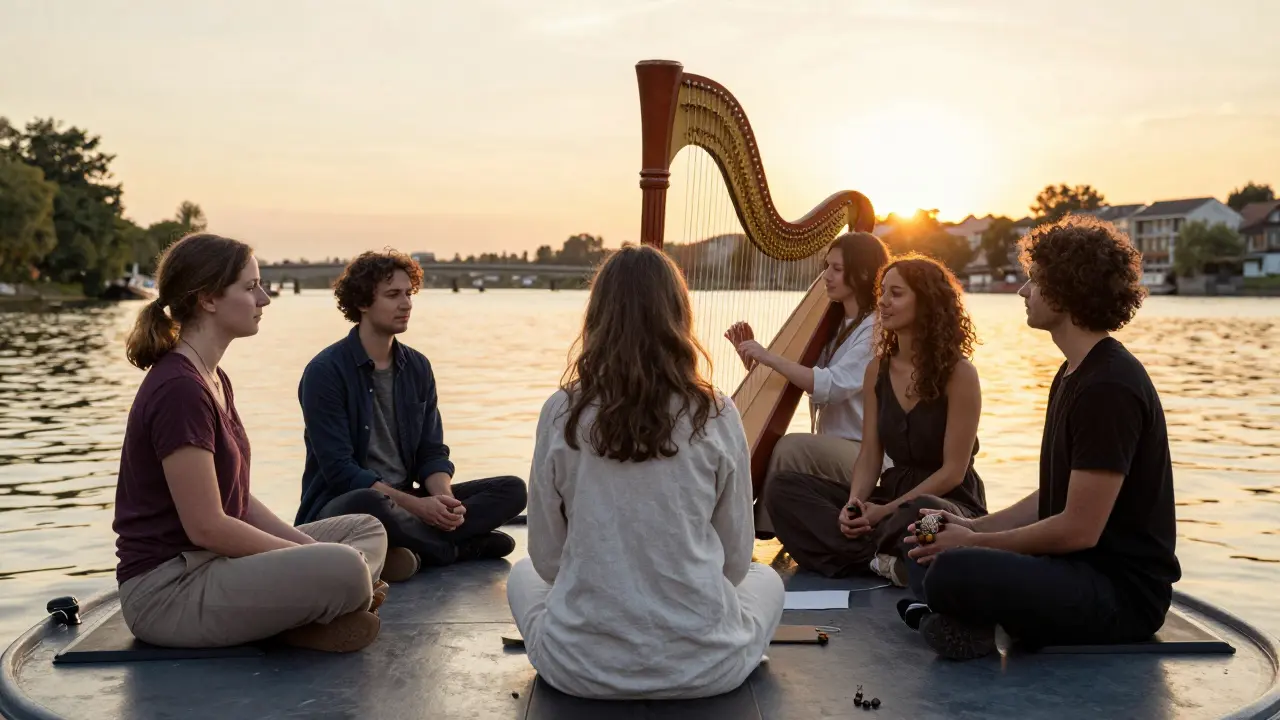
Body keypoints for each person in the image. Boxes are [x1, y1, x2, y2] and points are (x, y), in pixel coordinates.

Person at [507, 245, 784, 700]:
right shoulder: (716, 411)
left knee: (521, 574)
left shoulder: (561, 411)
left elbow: (548, 560)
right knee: (766, 579)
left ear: (597, 317)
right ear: (678, 316)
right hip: (707, 669)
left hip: (579, 670)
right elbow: (735, 564)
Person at [899, 215, 1181, 660]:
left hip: (1120, 597)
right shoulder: (1073, 372)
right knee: (924, 522)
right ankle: (957, 614)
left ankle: (960, 615)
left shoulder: (1109, 386)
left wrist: (971, 544)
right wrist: (969, 526)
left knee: (954, 565)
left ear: (1066, 290)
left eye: (1033, 280)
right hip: (1068, 571)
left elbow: (1078, 530)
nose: (1022, 291)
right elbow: (1052, 497)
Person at [113, 233, 387, 653]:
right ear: (207, 298)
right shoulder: (179, 390)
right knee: (346, 567)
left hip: (215, 567)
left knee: (364, 530)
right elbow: (207, 526)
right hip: (169, 592)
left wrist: (311, 552)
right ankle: (327, 603)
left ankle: (309, 615)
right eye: (250, 286)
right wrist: (314, 564)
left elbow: (237, 502)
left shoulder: (214, 378)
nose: (265, 298)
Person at [294, 250, 527, 582]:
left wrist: (442, 500)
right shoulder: (325, 372)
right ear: (362, 302)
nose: (406, 304)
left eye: (408, 294)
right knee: (371, 503)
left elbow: (431, 453)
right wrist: (417, 508)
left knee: (512, 489)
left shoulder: (418, 367)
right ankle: (455, 549)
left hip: (408, 499)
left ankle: (415, 549)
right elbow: (340, 472)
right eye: (393, 295)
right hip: (344, 506)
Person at [764, 253, 988, 584]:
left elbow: (953, 473)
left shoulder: (960, 374)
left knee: (921, 517)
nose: (882, 302)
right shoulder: (877, 371)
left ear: (926, 303)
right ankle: (886, 561)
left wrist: (885, 511)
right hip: (890, 498)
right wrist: (855, 504)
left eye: (896, 293)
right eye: (882, 292)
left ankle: (863, 555)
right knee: (783, 488)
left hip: (946, 507)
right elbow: (870, 454)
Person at [726, 232, 891, 538]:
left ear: (864, 273)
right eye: (825, 266)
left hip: (867, 455)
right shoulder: (836, 323)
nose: (825, 276)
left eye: (836, 269)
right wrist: (751, 358)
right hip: (835, 445)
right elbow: (797, 379)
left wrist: (769, 356)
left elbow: (832, 385)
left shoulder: (875, 330)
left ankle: (754, 531)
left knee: (790, 447)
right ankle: (748, 526)